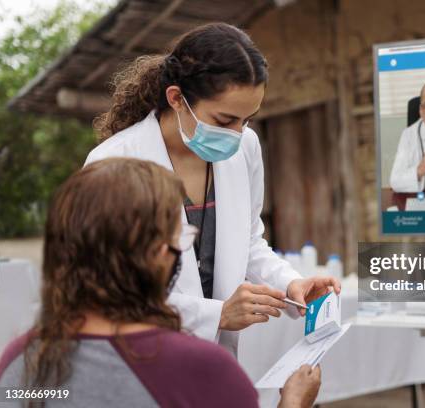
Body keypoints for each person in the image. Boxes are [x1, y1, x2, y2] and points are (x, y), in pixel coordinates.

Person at [86, 23, 340, 355]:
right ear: (176, 98)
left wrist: (290, 283)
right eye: (223, 121)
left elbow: (248, 243)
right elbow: (110, 290)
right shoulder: (113, 162)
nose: (237, 133)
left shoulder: (245, 147)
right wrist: (215, 315)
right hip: (142, 357)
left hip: (216, 359)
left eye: (247, 119)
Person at [0, 158, 321, 408]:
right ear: (155, 254)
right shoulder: (202, 369)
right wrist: (292, 402)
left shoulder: (21, 359)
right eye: (180, 236)